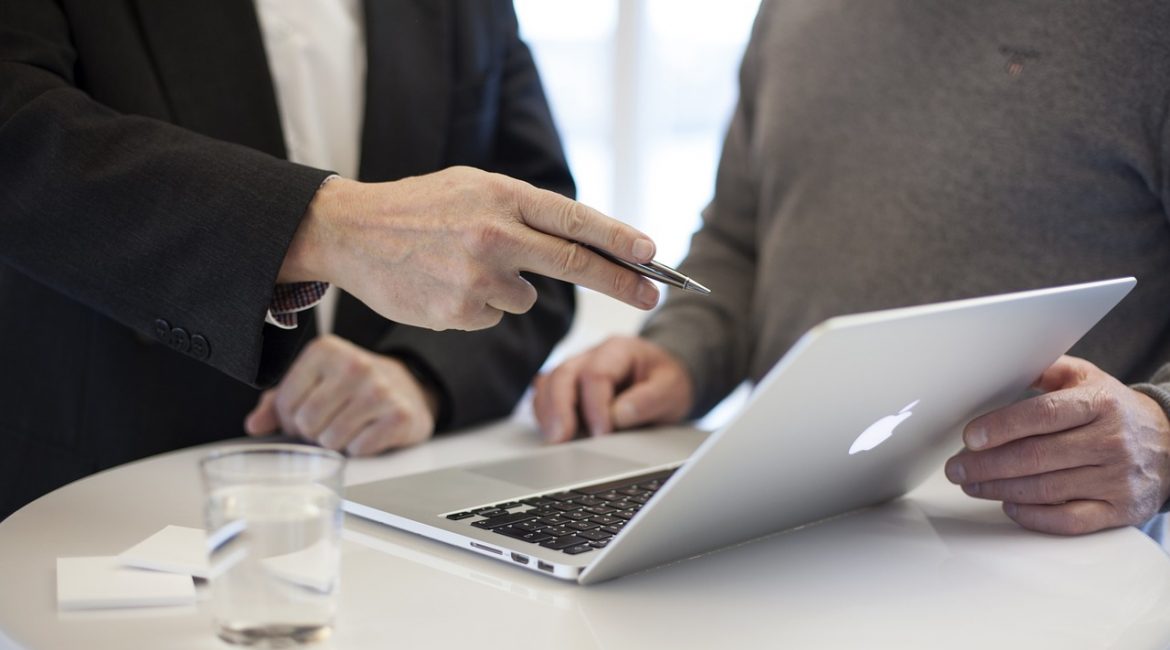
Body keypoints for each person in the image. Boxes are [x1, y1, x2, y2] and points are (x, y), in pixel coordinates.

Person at [533, 0, 1170, 540]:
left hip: (1037, 560)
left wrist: (1162, 430)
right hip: (780, 528)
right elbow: (739, 240)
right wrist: (679, 355)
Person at [0, 1, 662, 520]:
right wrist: (321, 226)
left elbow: (530, 237)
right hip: (90, 508)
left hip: (386, 513)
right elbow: (19, 129)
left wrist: (422, 375)